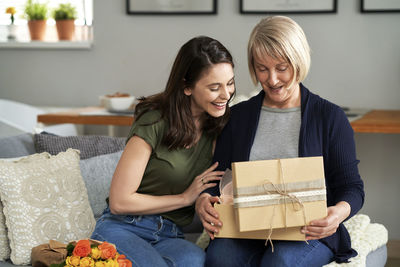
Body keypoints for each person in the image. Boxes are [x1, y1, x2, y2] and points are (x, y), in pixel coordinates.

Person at [195, 16, 365, 267]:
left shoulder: (329, 117)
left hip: (306, 232)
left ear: (298, 61)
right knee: (219, 258)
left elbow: (352, 187)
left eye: (281, 68)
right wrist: (203, 200)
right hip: (245, 230)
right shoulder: (237, 117)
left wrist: (338, 213)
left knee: (281, 262)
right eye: (262, 68)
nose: (272, 79)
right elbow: (217, 178)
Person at [91, 36, 235, 267]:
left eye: (230, 83)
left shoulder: (220, 127)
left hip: (169, 235)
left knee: (196, 262)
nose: (226, 95)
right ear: (187, 86)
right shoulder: (154, 121)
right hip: (125, 227)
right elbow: (119, 201)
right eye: (214, 87)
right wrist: (185, 198)